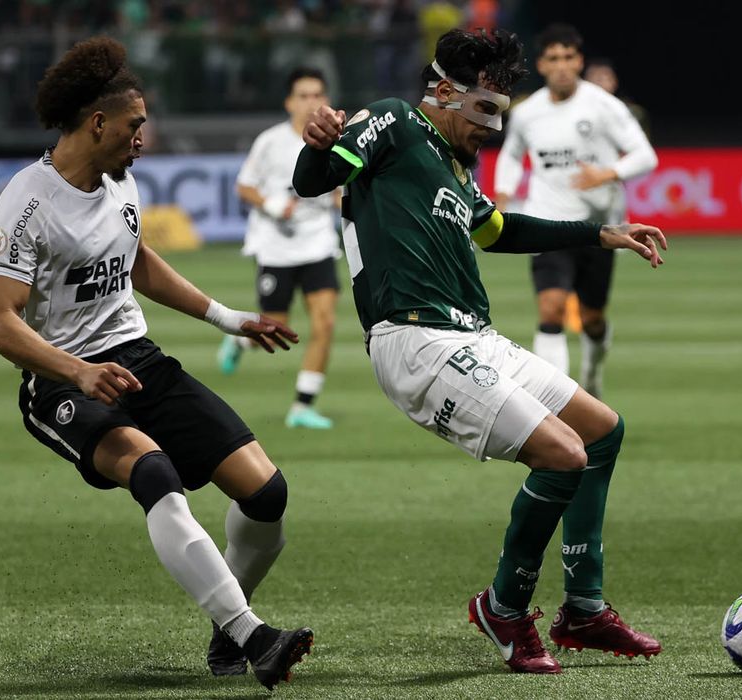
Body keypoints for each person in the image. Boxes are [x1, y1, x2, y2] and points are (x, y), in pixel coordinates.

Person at [293, 27, 665, 674]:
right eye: (486, 108)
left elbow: (498, 232)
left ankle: (582, 608)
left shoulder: (454, 167)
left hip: (472, 336)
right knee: (563, 455)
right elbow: (313, 180)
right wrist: (318, 140)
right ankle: (504, 607)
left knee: (601, 430)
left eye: (502, 111)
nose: (494, 126)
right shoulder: (393, 121)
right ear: (444, 91)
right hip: (414, 338)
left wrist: (600, 233)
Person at [0, 38, 312, 690]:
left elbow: (136, 261)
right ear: (97, 122)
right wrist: (76, 371)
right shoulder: (26, 201)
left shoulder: (121, 183)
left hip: (139, 361)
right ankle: (252, 635)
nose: (143, 139)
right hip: (62, 383)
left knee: (266, 494)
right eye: (134, 126)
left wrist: (229, 318)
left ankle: (228, 626)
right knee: (153, 472)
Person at [493, 24, 657, 399]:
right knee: (550, 310)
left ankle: (593, 372)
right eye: (554, 58)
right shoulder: (527, 113)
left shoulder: (604, 106)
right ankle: (557, 403)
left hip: (599, 230)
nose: (562, 66)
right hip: (546, 225)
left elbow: (645, 155)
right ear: (542, 65)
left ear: (579, 61)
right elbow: (511, 155)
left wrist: (608, 173)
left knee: (592, 320)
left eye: (569, 57)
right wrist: (502, 198)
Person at [219, 67, 341, 430]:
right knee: (276, 330)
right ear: (289, 103)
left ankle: (302, 406)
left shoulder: (339, 142)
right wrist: (272, 205)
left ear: (326, 100)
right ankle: (240, 344)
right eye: (303, 95)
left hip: (318, 243)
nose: (311, 102)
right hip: (276, 248)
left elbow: (339, 191)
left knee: (325, 323)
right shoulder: (270, 141)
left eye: (317, 94)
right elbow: (244, 186)